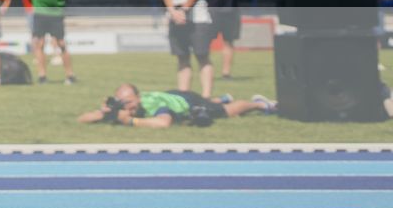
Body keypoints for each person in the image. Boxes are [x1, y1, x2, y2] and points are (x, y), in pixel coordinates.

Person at [76, 82, 274, 129]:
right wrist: (103, 113)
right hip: (173, 94)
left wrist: (131, 121)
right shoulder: (122, 107)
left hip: (187, 101)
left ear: (138, 97)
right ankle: (220, 98)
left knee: (226, 112)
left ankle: (258, 104)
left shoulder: (152, 103)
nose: (127, 107)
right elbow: (81, 119)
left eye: (130, 102)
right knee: (213, 102)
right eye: (123, 104)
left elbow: (164, 123)